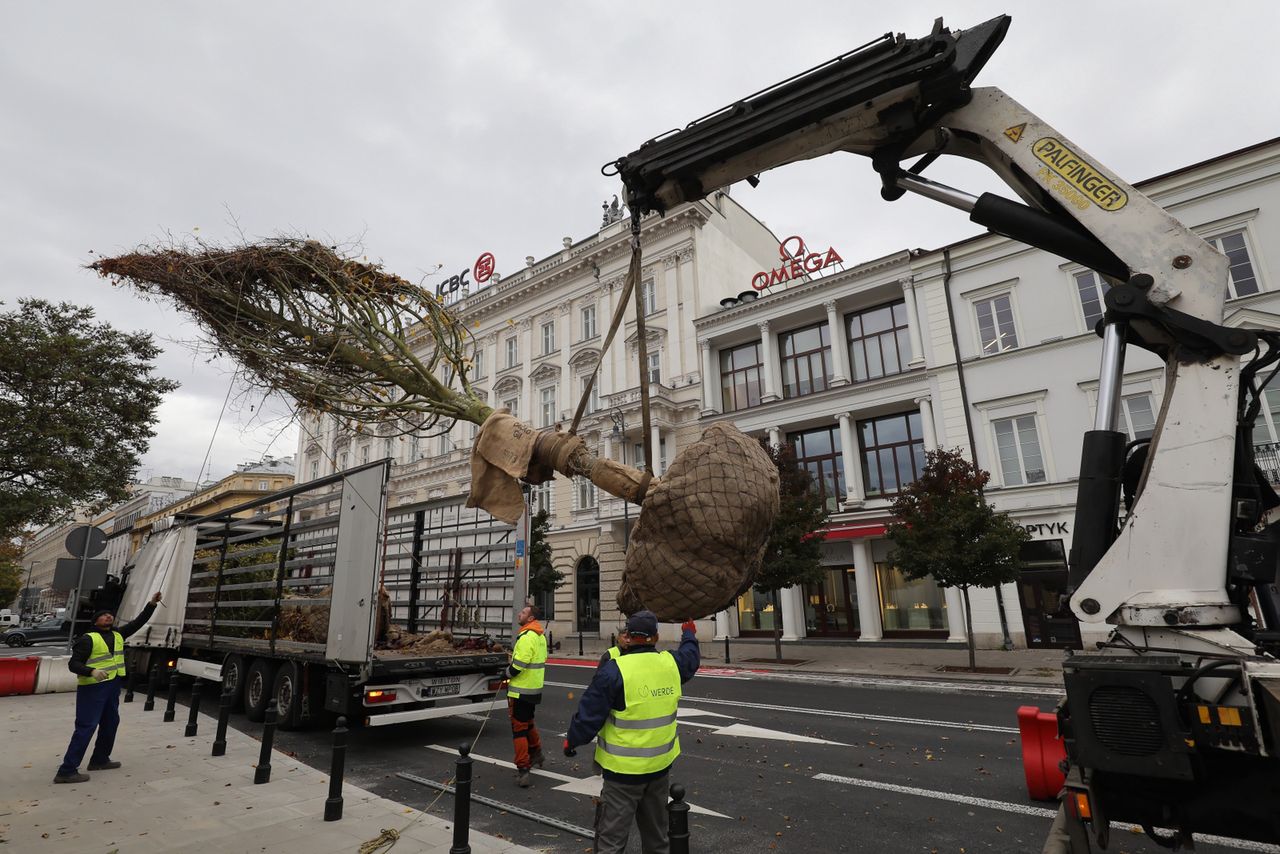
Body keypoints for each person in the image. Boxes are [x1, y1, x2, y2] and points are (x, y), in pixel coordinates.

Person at [564, 611, 700, 854]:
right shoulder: (671, 663)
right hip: (659, 770)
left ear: (628, 636)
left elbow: (589, 715)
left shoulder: (615, 670)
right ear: (656, 636)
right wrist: (688, 633)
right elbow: (691, 657)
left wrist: (572, 741)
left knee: (611, 843)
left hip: (622, 774)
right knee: (657, 840)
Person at [54, 591, 162, 783]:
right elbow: (74, 664)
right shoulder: (88, 639)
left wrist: (152, 604)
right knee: (87, 726)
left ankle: (100, 759)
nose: (108, 616)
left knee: (111, 723)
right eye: (104, 615)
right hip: (93, 688)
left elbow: (138, 622)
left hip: (112, 686)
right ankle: (67, 770)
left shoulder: (118, 634)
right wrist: (91, 671)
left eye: (110, 614)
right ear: (95, 621)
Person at [507, 603, 548, 787]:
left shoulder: (526, 636)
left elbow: (519, 665)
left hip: (521, 690)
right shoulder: (539, 636)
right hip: (533, 689)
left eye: (523, 612)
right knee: (528, 722)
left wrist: (506, 674)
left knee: (519, 729)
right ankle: (537, 753)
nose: (519, 614)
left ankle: (523, 769)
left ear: (530, 618)